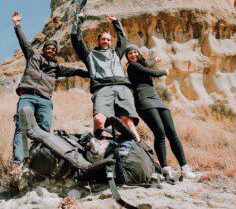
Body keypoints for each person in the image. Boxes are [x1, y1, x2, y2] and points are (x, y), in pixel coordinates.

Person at [10, 10, 88, 174]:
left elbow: (75, 71)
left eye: (54, 49)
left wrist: (91, 73)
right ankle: (17, 162)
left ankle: (39, 161)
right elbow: (24, 42)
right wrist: (17, 24)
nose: (51, 50)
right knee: (22, 127)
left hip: (45, 100)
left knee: (44, 132)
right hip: (28, 96)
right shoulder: (33, 57)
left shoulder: (56, 68)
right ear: (44, 49)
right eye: (49, 47)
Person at [125, 44, 196, 180]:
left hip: (156, 99)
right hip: (144, 101)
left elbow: (147, 65)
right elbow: (152, 72)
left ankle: (185, 168)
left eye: (135, 52)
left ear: (138, 54)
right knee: (160, 133)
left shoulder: (141, 64)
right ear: (127, 57)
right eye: (130, 54)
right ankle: (165, 169)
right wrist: (164, 72)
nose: (133, 55)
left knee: (172, 134)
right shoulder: (132, 66)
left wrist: (155, 61)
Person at [70, 11, 140, 141]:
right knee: (99, 120)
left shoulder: (116, 53)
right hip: (102, 89)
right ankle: (99, 150)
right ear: (98, 41)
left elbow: (122, 39)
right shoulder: (90, 55)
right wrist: (78, 20)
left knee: (128, 122)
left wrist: (115, 22)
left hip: (122, 88)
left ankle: (138, 151)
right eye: (103, 39)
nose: (106, 41)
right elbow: (76, 40)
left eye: (108, 39)